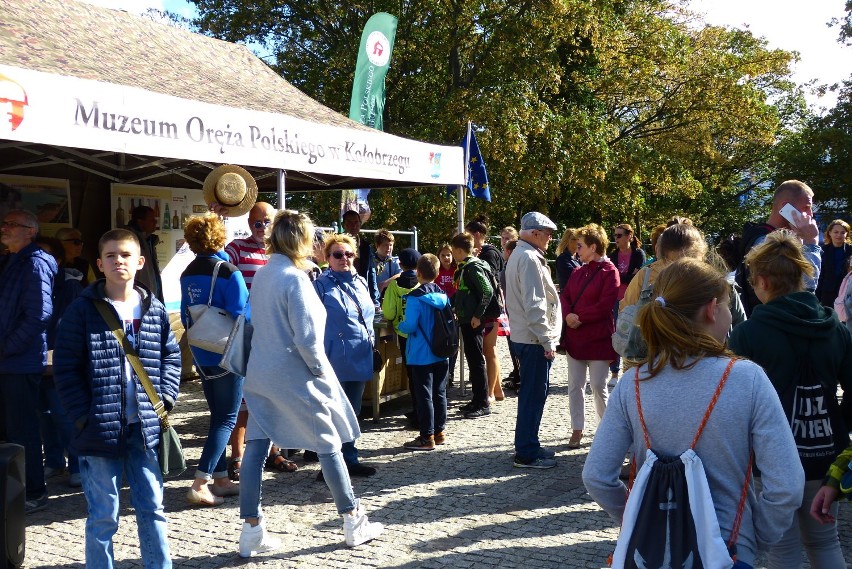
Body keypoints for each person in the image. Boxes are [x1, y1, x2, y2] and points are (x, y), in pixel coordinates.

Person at [582, 258, 805, 569]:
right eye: (728, 306)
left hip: (653, 552)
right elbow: (787, 485)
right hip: (728, 551)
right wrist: (756, 536)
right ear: (712, 308)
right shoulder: (747, 379)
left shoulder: (633, 383)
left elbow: (596, 476)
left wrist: (635, 516)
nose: (730, 317)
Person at [239, 210, 383, 556]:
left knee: (256, 448)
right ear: (302, 240)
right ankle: (352, 519)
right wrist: (321, 372)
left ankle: (251, 529)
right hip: (295, 375)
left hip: (261, 371)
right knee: (329, 444)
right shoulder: (294, 278)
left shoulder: (263, 275)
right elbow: (307, 339)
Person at [54, 228, 182, 568]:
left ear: (140, 261)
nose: (118, 261)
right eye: (110, 255)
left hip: (145, 427)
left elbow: (171, 357)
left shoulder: (153, 308)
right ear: (99, 263)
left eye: (125, 254)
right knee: (103, 516)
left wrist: (165, 400)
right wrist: (84, 416)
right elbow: (66, 369)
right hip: (98, 430)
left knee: (152, 509)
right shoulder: (82, 310)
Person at [729, 230, 851, 568]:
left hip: (770, 459)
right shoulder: (835, 328)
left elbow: (732, 402)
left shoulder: (748, 334)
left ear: (763, 282)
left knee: (782, 549)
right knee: (826, 542)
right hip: (826, 453)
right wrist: (837, 421)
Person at [224, 202, 297, 477]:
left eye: (267, 222)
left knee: (275, 395)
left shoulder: (280, 253)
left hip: (276, 335)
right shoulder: (237, 248)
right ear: (248, 224)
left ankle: (273, 451)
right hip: (246, 333)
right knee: (243, 397)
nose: (262, 228)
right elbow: (219, 261)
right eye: (257, 222)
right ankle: (238, 454)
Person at [180, 213, 247, 507]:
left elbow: (185, 313)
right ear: (220, 237)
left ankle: (220, 479)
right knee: (227, 418)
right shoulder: (229, 271)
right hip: (227, 350)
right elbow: (241, 312)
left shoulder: (187, 272)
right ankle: (201, 483)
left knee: (216, 415)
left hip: (200, 350)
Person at [0, 209, 57, 513]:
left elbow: (39, 315)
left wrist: (5, 348)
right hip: (9, 362)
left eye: (12, 225)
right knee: (9, 431)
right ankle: (13, 490)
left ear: (30, 231)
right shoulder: (11, 260)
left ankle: (34, 491)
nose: (4, 228)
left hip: (19, 363)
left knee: (23, 432)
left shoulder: (35, 263)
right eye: (5, 223)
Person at [314, 233, 379, 478]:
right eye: (338, 255)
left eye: (349, 254)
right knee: (332, 413)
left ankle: (349, 459)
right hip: (334, 358)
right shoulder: (320, 285)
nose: (344, 259)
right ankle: (331, 464)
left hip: (360, 354)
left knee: (353, 411)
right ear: (328, 258)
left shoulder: (361, 282)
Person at [504, 212, 561, 469]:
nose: (550, 238)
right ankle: (526, 451)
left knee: (532, 395)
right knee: (532, 396)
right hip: (533, 338)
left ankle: (529, 444)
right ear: (535, 233)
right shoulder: (528, 258)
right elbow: (535, 304)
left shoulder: (521, 254)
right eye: (547, 233)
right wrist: (547, 340)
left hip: (527, 336)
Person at [560, 223, 619, 450]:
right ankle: (577, 428)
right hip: (576, 338)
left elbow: (605, 305)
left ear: (593, 247)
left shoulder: (609, 271)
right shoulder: (577, 271)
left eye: (581, 245)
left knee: (597, 385)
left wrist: (579, 317)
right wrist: (568, 316)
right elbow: (565, 296)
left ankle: (606, 429)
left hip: (598, 338)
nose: (577, 249)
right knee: (575, 385)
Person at [35, 235, 83, 488]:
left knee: (64, 415)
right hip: (31, 359)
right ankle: (53, 461)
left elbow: (69, 326)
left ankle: (77, 464)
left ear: (58, 259)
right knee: (44, 415)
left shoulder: (69, 286)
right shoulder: (27, 281)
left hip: (57, 361)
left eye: (46, 255)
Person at [736, 179, 821, 317]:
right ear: (785, 208)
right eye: (806, 207)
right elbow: (804, 292)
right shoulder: (763, 240)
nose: (810, 214)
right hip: (769, 326)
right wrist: (811, 243)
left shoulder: (774, 236)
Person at [397, 254, 451, 450]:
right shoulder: (443, 296)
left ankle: (426, 436)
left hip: (420, 353)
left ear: (418, 273)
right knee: (439, 392)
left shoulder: (415, 298)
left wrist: (399, 325)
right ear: (437, 273)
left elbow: (410, 325)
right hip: (441, 351)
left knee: (423, 394)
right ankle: (439, 431)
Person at [451, 232, 494, 419]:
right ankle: (476, 399)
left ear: (460, 251)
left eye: (453, 251)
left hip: (473, 321)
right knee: (472, 360)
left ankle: (483, 402)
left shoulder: (472, 267)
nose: (452, 254)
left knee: (476, 362)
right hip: (466, 319)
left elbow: (487, 290)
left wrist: (478, 315)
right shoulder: (465, 267)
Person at [465, 216, 504, 403]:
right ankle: (497, 390)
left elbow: (490, 280)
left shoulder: (489, 253)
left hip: (489, 308)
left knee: (489, 350)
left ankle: (488, 393)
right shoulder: (483, 252)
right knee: (487, 350)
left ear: (477, 235)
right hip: (485, 308)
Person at [381, 248, 422, 427]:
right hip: (422, 334)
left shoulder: (394, 285)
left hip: (404, 333)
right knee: (423, 374)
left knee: (412, 373)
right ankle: (423, 410)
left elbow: (389, 312)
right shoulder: (423, 282)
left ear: (401, 264)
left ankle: (417, 408)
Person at [607, 223, 645, 381]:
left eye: (619, 235)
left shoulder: (638, 254)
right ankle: (614, 372)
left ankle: (632, 369)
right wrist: (627, 276)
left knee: (633, 333)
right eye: (615, 235)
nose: (616, 238)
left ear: (629, 236)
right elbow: (613, 277)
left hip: (633, 299)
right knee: (616, 333)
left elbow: (635, 278)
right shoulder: (613, 255)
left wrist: (621, 276)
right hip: (616, 299)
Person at [341, 209, 379, 308]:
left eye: (356, 223)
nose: (353, 226)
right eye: (349, 222)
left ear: (360, 224)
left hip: (361, 291)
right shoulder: (336, 246)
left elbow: (371, 273)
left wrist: (374, 300)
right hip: (341, 291)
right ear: (343, 225)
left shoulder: (366, 246)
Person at [126, 205, 163, 302]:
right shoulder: (129, 241)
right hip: (139, 300)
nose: (155, 222)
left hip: (151, 297)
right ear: (140, 222)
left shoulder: (149, 240)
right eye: (152, 220)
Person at [814, 219, 852, 309]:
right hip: (827, 294)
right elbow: (820, 275)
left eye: (842, 232)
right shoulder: (823, 251)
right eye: (836, 232)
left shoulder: (851, 251)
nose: (839, 235)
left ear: (846, 234)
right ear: (829, 233)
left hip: (847, 293)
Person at [435, 243, 458, 385]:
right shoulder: (437, 271)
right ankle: (444, 372)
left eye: (448, 254)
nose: (446, 258)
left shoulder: (457, 270)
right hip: (440, 311)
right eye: (443, 255)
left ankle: (451, 372)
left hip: (454, 311)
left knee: (454, 343)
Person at [373, 228, 401, 296]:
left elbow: (400, 275)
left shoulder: (395, 261)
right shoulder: (371, 261)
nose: (389, 248)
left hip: (390, 296)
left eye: (390, 245)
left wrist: (384, 284)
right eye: (385, 245)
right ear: (377, 245)